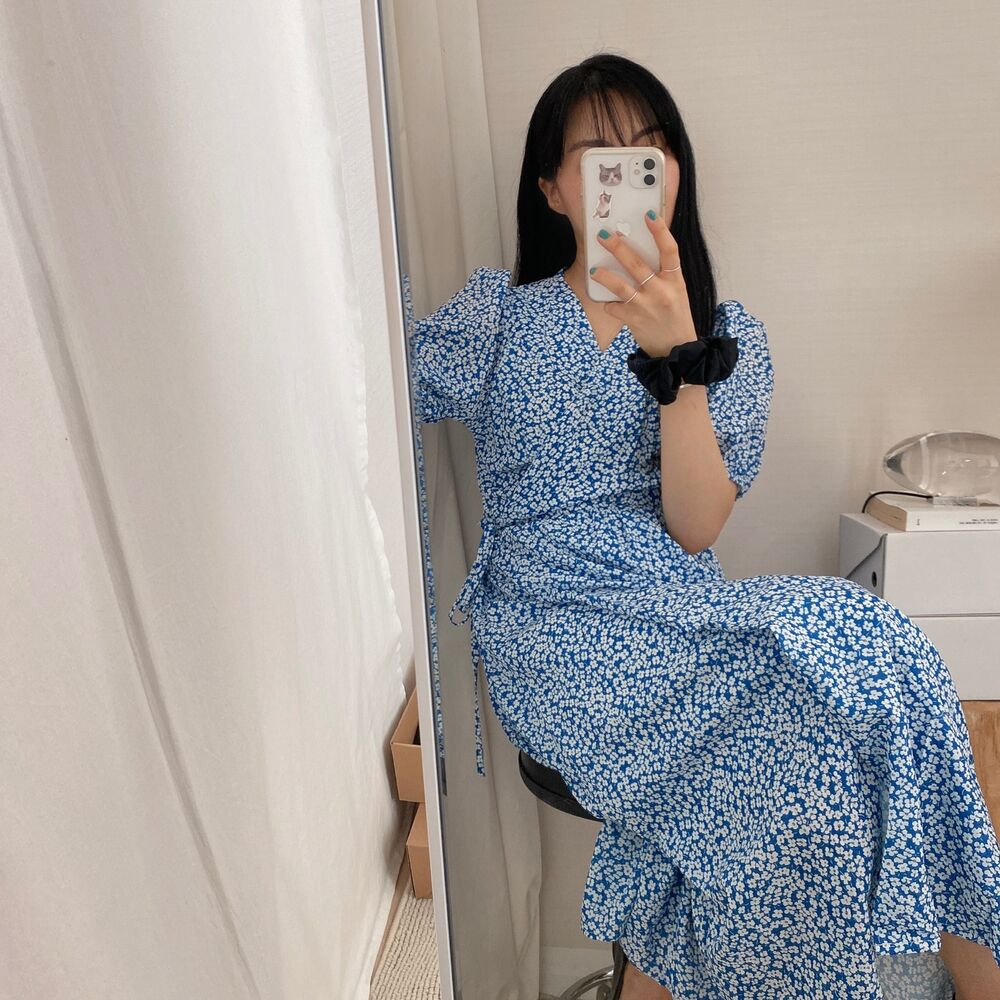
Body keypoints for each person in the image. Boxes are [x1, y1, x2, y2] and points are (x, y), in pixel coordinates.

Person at [404, 52, 1000, 999]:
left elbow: (694, 527)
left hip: (677, 608)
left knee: (884, 657)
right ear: (553, 188)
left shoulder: (727, 336)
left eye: (651, 152)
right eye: (600, 156)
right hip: (550, 627)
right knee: (805, 723)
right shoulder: (499, 321)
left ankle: (966, 975)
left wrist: (679, 358)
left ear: (675, 174)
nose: (630, 172)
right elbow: (373, 382)